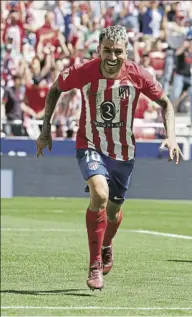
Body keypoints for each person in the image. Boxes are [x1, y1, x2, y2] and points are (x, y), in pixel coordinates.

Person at [35, 26, 182, 291]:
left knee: (113, 212)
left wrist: (171, 137)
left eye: (118, 52)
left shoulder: (139, 76)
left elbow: (166, 105)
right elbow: (56, 89)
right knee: (99, 196)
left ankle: (106, 244)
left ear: (127, 52)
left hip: (123, 152)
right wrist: (45, 130)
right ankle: (94, 266)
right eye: (107, 51)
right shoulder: (84, 71)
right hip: (89, 144)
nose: (112, 57)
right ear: (98, 50)